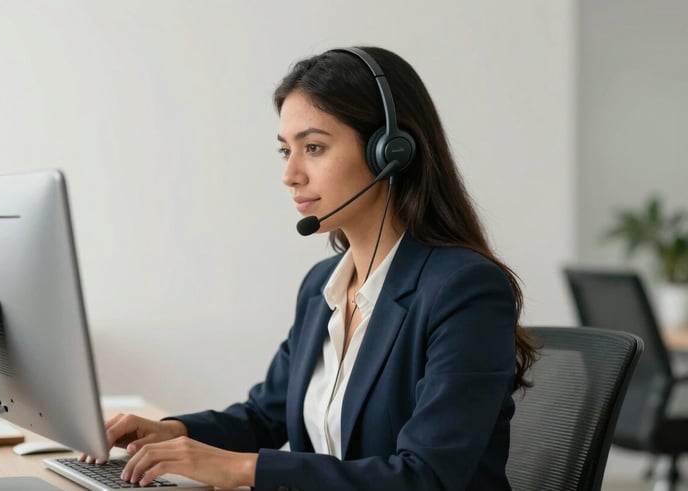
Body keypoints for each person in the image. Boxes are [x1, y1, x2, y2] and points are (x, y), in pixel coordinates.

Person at [82, 46, 537, 490]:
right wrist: (173, 432)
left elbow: (427, 475)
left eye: (314, 147)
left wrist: (245, 470)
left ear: (390, 153)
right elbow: (267, 415)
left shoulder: (464, 290)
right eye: (286, 151)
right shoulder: (323, 285)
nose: (291, 174)